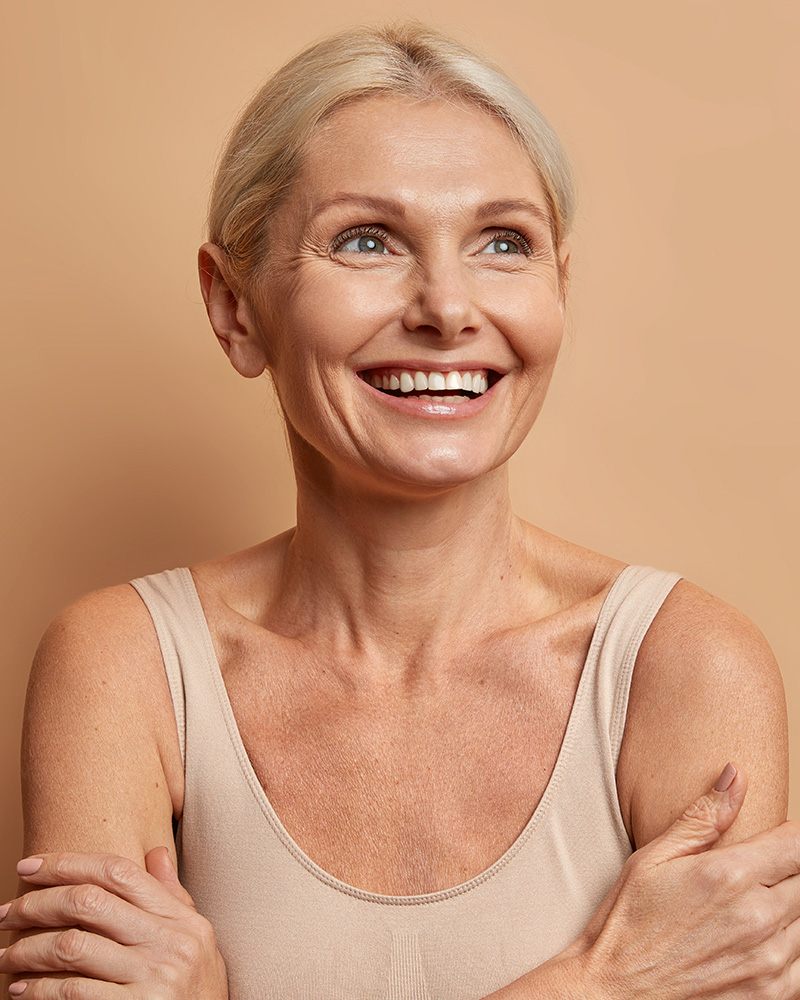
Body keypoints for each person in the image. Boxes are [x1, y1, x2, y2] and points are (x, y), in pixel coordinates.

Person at [1, 22, 797, 1000]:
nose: (448, 306)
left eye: (503, 241)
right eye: (366, 239)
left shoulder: (685, 667)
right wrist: (601, 984)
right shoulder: (120, 666)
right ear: (234, 308)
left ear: (558, 289)